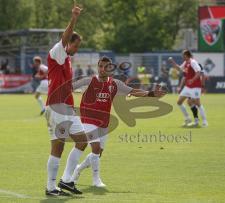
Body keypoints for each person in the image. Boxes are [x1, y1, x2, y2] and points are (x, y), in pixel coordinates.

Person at [70, 56, 167, 187]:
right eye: (100, 66)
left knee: (98, 153)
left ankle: (78, 169)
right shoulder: (88, 81)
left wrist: (150, 94)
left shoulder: (115, 84)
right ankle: (96, 180)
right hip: (88, 120)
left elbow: (133, 91)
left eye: (106, 67)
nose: (102, 69)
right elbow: (69, 87)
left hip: (104, 122)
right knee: (96, 148)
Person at [45, 1, 87, 196]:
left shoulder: (67, 59)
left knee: (82, 141)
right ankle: (50, 187)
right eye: (76, 45)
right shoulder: (58, 51)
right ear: (69, 42)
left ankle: (67, 180)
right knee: (58, 147)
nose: (77, 49)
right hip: (56, 107)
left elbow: (66, 85)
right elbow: (66, 35)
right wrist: (75, 18)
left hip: (67, 107)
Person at [169, 50, 208, 127]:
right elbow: (179, 69)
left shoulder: (193, 62)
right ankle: (188, 119)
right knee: (179, 102)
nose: (182, 56)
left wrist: (193, 80)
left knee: (198, 103)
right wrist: (172, 62)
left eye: (183, 55)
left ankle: (204, 122)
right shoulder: (186, 62)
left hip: (195, 86)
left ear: (186, 55)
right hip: (188, 86)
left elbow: (199, 72)